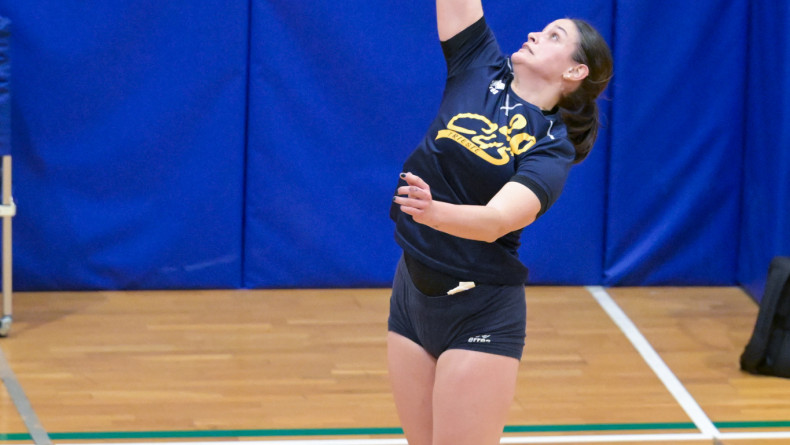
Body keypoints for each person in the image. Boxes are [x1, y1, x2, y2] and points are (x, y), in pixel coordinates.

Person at [388, 1, 613, 444]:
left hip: (480, 313)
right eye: (542, 29)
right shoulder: (479, 64)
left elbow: (496, 220)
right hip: (411, 292)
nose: (535, 34)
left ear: (575, 72)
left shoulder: (552, 148)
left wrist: (433, 212)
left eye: (554, 36)